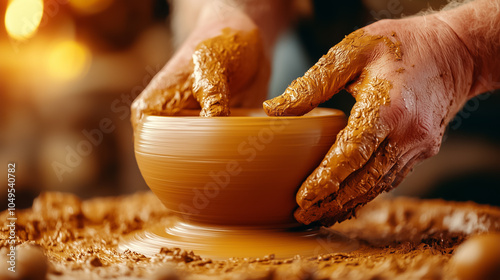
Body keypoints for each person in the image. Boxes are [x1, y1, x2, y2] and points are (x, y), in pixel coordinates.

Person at [131, 0, 500, 226]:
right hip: (337, 61)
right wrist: (233, 16)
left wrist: (461, 48)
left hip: (482, 98)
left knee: (452, 195)